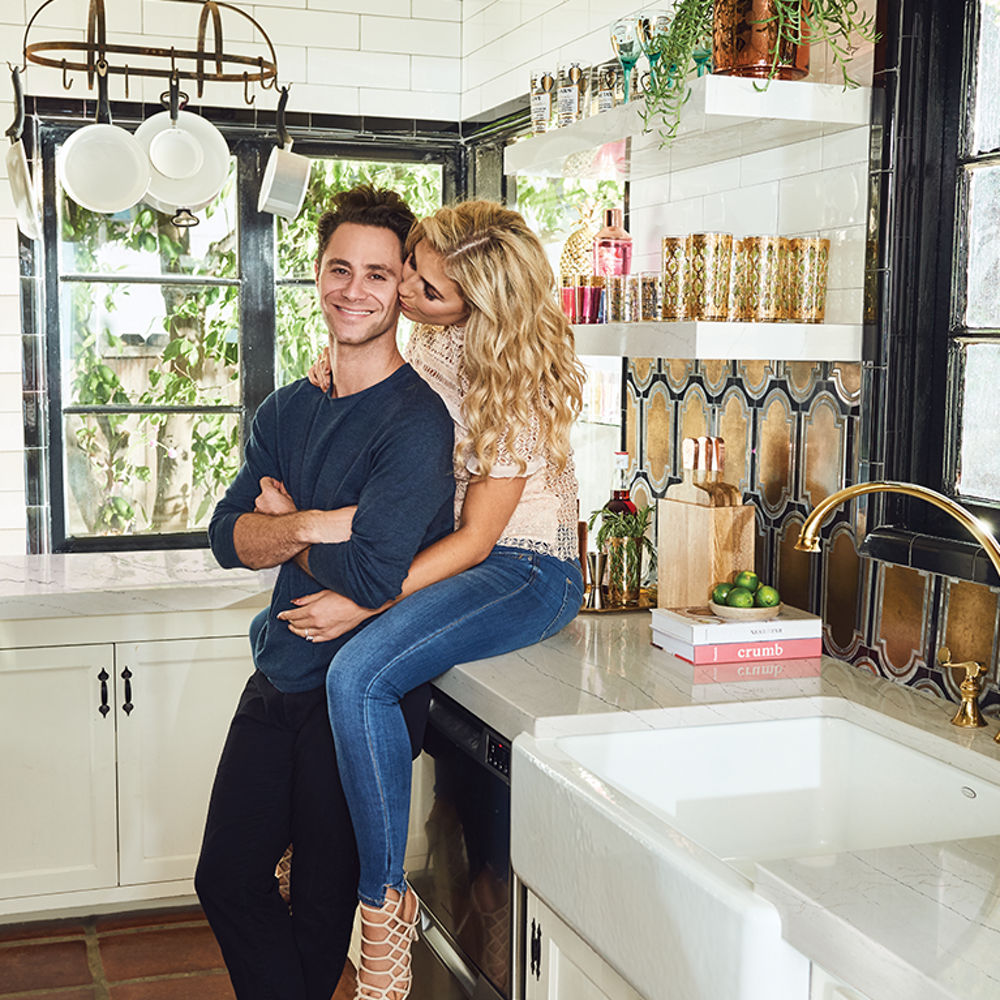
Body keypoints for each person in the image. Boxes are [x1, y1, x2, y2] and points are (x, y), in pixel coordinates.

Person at [283, 201, 586, 1000]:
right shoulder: (428, 337)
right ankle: (314, 832)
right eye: (413, 263)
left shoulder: (514, 381)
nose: (408, 289)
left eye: (433, 288)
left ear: (480, 306)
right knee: (315, 656)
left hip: (526, 570)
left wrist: (370, 601)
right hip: (458, 557)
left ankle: (383, 909)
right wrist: (339, 366)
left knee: (358, 675)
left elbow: (479, 541)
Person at [194, 185, 456, 1000]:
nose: (356, 289)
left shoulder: (417, 422)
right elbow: (226, 536)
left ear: (402, 290)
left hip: (362, 698)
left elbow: (377, 575)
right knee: (226, 877)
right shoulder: (285, 409)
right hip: (278, 674)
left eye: (378, 274)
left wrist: (285, 524)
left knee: (318, 908)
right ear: (316, 275)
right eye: (340, 268)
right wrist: (318, 526)